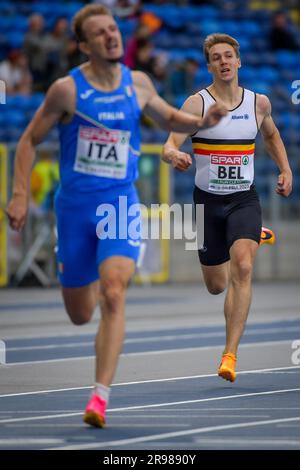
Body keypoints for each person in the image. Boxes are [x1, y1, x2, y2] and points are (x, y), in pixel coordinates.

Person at [6, 5, 226, 428]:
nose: (111, 36)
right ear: (84, 46)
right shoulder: (66, 91)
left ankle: (99, 397)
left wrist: (204, 119)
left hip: (120, 204)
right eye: (100, 33)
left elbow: (170, 117)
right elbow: (28, 142)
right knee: (80, 313)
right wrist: (18, 195)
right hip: (74, 211)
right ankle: (79, 275)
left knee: (114, 293)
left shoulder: (138, 83)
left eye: (113, 29)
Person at [162, 33, 293, 383]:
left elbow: (271, 136)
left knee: (243, 267)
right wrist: (174, 154)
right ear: (209, 66)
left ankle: (229, 355)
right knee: (217, 285)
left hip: (243, 199)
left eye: (228, 56)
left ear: (238, 62)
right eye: (216, 57)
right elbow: (168, 144)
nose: (223, 61)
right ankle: (255, 236)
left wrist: (285, 168)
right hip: (205, 203)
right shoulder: (196, 104)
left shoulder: (258, 103)